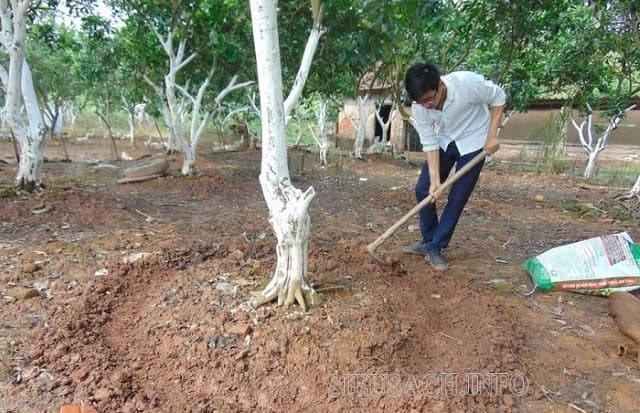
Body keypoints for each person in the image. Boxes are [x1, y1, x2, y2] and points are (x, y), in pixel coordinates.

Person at [403, 62, 506, 271]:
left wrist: (492, 135)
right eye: (421, 102)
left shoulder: (467, 84)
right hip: (446, 140)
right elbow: (429, 142)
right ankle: (429, 240)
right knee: (424, 190)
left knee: (457, 198)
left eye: (429, 99)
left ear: (440, 85)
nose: (427, 106)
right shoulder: (420, 107)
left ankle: (437, 246)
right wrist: (434, 181)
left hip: (474, 143)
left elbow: (498, 97)